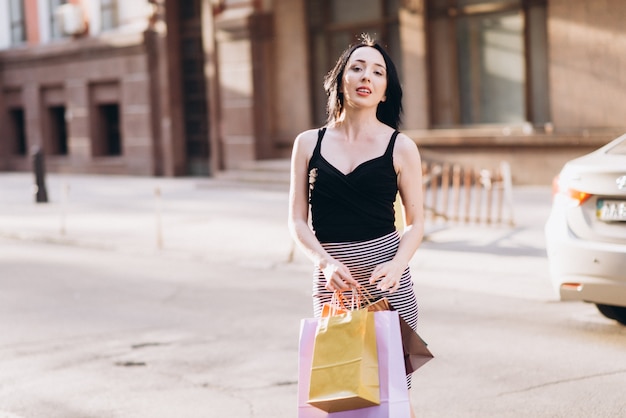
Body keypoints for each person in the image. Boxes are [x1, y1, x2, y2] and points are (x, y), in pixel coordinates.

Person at [288, 34, 425, 417]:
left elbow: (416, 224)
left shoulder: (401, 147)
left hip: (388, 287)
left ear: (385, 91)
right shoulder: (307, 144)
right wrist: (325, 263)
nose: (367, 75)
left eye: (378, 71)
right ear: (340, 80)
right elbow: (297, 220)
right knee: (338, 397)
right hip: (333, 287)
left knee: (393, 399)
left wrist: (397, 266)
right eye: (357, 67)